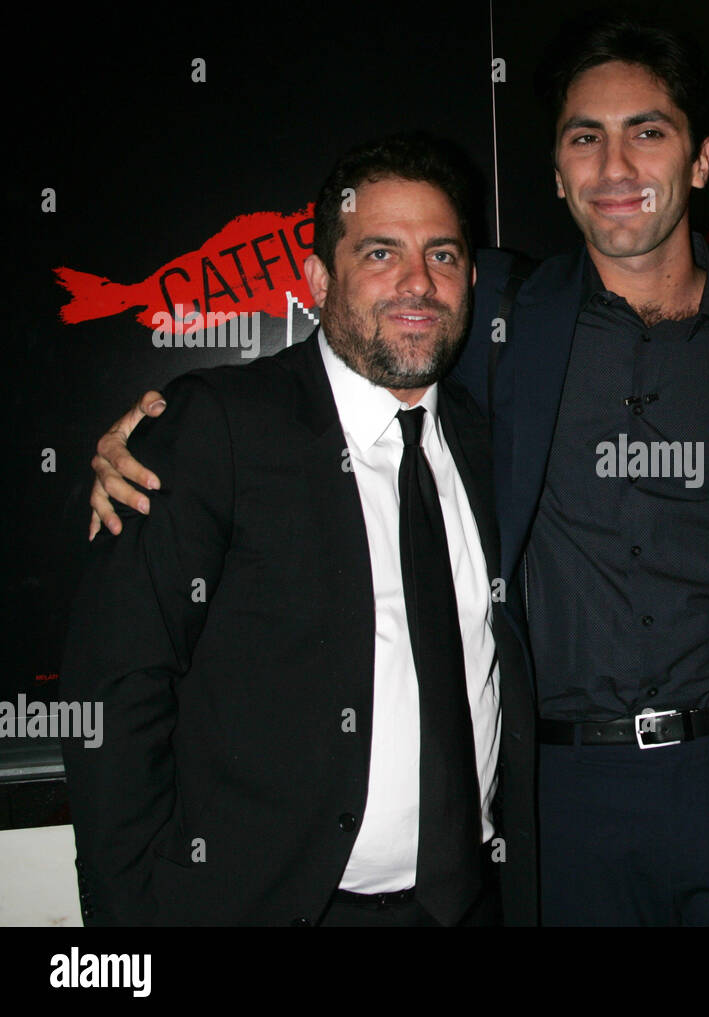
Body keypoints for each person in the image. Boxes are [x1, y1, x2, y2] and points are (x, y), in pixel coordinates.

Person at [88, 16, 709, 926]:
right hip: (564, 807)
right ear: (557, 174)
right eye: (583, 139)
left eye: (648, 131)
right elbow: (124, 686)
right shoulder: (502, 326)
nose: (615, 167)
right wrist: (148, 432)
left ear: (702, 159)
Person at [63, 133, 535, 926]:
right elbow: (118, 682)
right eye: (380, 253)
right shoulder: (221, 429)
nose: (418, 282)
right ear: (319, 278)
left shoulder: (499, 448)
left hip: (474, 905)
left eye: (443, 255)